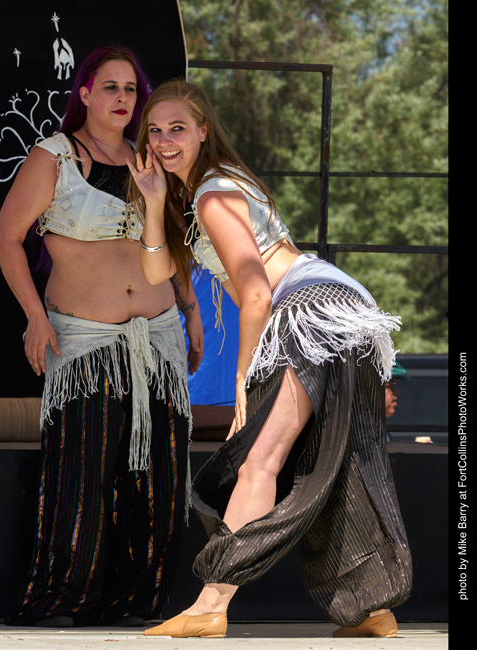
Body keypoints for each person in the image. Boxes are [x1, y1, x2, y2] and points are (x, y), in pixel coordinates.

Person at [128, 80, 413, 639]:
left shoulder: (213, 194)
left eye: (177, 128)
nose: (163, 140)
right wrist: (155, 201)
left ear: (203, 130)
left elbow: (257, 293)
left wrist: (243, 376)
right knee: (330, 457)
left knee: (260, 459)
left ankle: (210, 605)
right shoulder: (206, 193)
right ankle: (370, 607)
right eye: (155, 131)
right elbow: (157, 272)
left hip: (310, 308)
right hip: (337, 307)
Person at [0, 49, 203, 628]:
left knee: (158, 476)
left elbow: (173, 240)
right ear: (84, 93)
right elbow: (6, 238)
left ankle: (136, 601)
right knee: (81, 473)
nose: (123, 99)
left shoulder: (149, 158)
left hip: (158, 337)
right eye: (110, 87)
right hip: (84, 341)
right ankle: (63, 599)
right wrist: (35, 317)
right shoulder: (55, 156)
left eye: (131, 89)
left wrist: (191, 311)